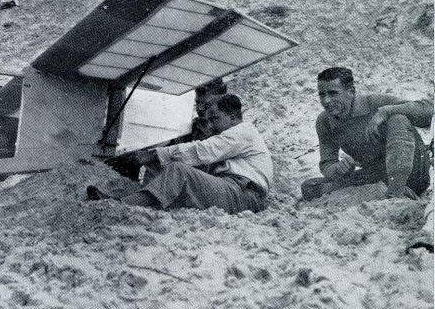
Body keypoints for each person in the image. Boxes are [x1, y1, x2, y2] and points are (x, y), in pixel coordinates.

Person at [88, 94, 273, 214]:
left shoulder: (243, 132)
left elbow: (204, 151)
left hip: (244, 195)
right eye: (208, 121)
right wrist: (158, 157)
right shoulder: (234, 136)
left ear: (233, 117)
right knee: (166, 163)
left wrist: (155, 153)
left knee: (178, 169)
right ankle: (142, 201)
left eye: (215, 119)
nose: (210, 126)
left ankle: (124, 204)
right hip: (233, 192)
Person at [301, 67, 432, 200]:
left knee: (397, 119)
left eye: (333, 93)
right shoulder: (325, 121)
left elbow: (429, 110)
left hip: (413, 172)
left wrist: (386, 112)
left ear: (351, 92)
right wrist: (338, 169)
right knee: (310, 187)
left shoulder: (375, 103)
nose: (326, 100)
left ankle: (396, 193)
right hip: (376, 176)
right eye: (322, 94)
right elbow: (326, 163)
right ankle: (391, 192)